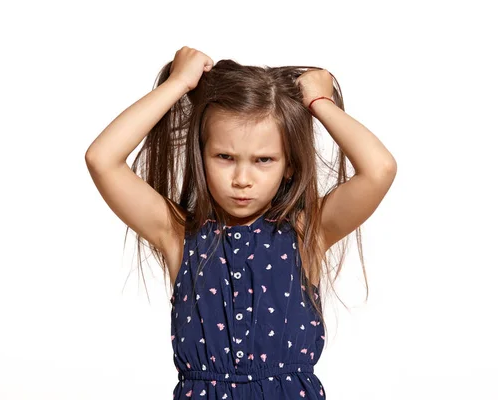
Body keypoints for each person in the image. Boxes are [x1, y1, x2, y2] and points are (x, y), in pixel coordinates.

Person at [85, 46, 397, 399]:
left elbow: (379, 169)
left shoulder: (307, 232)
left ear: (289, 164)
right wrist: (179, 84)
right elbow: (102, 159)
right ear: (201, 157)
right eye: (225, 157)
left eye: (263, 159)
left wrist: (319, 103)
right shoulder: (178, 234)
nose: (242, 178)